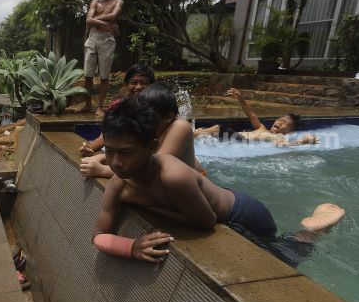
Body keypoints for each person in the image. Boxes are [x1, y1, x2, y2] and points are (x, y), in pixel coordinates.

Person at [92, 96, 345, 265]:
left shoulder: (172, 175)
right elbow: (98, 236)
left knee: (284, 256)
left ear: (152, 146)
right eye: (110, 152)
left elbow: (206, 222)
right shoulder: (118, 184)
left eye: (126, 153)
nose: (115, 163)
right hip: (220, 200)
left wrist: (147, 204)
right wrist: (132, 247)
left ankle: (313, 230)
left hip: (241, 213)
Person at [80, 83, 205, 178]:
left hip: (197, 181)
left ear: (168, 117)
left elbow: (154, 169)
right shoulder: (153, 128)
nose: (144, 122)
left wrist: (102, 170)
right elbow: (139, 158)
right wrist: (103, 157)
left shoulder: (180, 127)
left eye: (150, 118)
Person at [194, 88, 317, 146]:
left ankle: (185, 134)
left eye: (285, 122)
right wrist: (240, 97)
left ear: (289, 131)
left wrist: (303, 142)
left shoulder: (279, 137)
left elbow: (284, 146)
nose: (280, 121)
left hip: (240, 140)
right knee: (202, 131)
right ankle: (190, 133)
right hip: (233, 138)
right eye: (280, 119)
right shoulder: (261, 127)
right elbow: (250, 113)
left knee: (217, 128)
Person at [80, 0, 124, 117]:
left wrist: (94, 19)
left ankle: (99, 107)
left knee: (104, 76)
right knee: (88, 74)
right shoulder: (95, 2)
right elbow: (88, 21)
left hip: (107, 39)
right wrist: (105, 23)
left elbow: (113, 16)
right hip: (93, 38)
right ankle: (87, 104)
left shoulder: (118, 2)